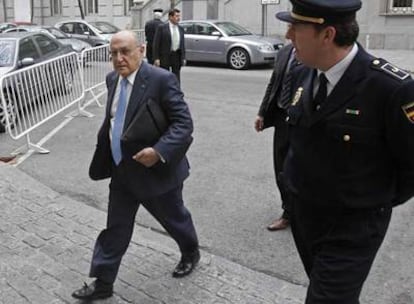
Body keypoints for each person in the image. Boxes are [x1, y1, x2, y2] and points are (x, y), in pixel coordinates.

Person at [275, 0, 414, 303]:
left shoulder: (391, 88)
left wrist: (372, 201)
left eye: (296, 27)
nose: (288, 35)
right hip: (306, 217)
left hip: (353, 226)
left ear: (327, 35)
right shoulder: (304, 73)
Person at [71, 30, 200, 301]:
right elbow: (116, 119)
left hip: (156, 172)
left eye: (125, 51)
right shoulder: (111, 80)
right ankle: (103, 283)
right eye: (113, 53)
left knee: (175, 219)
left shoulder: (161, 80)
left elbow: (183, 124)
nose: (119, 59)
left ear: (141, 50)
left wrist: (159, 151)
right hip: (123, 171)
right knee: (115, 228)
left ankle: (190, 251)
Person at [255, 43, 299, 231]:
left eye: (294, 27)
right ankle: (288, 211)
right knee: (280, 167)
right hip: (282, 117)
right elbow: (273, 83)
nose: (289, 32)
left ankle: (300, 212)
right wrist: (262, 112)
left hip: (303, 121)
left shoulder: (314, 53)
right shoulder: (285, 52)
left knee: (301, 169)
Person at [153, 8, 185, 83]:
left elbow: (182, 44)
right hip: (165, 56)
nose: (178, 18)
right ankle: (164, 91)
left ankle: (176, 91)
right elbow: (156, 43)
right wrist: (156, 58)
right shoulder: (162, 28)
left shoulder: (180, 29)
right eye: (176, 16)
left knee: (176, 76)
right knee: (164, 75)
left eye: (179, 16)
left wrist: (183, 57)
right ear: (170, 17)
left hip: (176, 55)